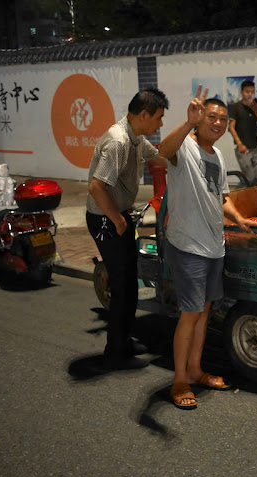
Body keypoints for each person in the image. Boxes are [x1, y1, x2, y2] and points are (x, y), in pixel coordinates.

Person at [158, 85, 257, 410]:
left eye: (222, 119)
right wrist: (187, 123)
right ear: (200, 117)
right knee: (190, 313)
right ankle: (179, 379)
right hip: (187, 245)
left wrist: (241, 220)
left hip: (213, 246)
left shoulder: (217, 155)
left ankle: (195, 369)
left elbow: (223, 199)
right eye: (211, 116)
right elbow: (164, 148)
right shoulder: (185, 148)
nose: (217, 123)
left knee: (203, 313)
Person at [86, 87, 169, 371]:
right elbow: (97, 187)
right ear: (143, 114)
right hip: (105, 219)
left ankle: (123, 342)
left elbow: (161, 157)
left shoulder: (136, 138)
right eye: (158, 118)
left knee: (129, 283)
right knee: (122, 287)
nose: (160, 124)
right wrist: (119, 221)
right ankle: (115, 353)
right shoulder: (119, 142)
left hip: (117, 215)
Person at [228, 80, 257, 186]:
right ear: (242, 92)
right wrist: (239, 144)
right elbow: (231, 127)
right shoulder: (236, 107)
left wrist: (256, 110)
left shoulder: (254, 108)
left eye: (252, 92)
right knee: (249, 177)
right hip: (243, 149)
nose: (250, 94)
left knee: (256, 180)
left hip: (255, 148)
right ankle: (237, 196)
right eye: (247, 91)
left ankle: (254, 201)